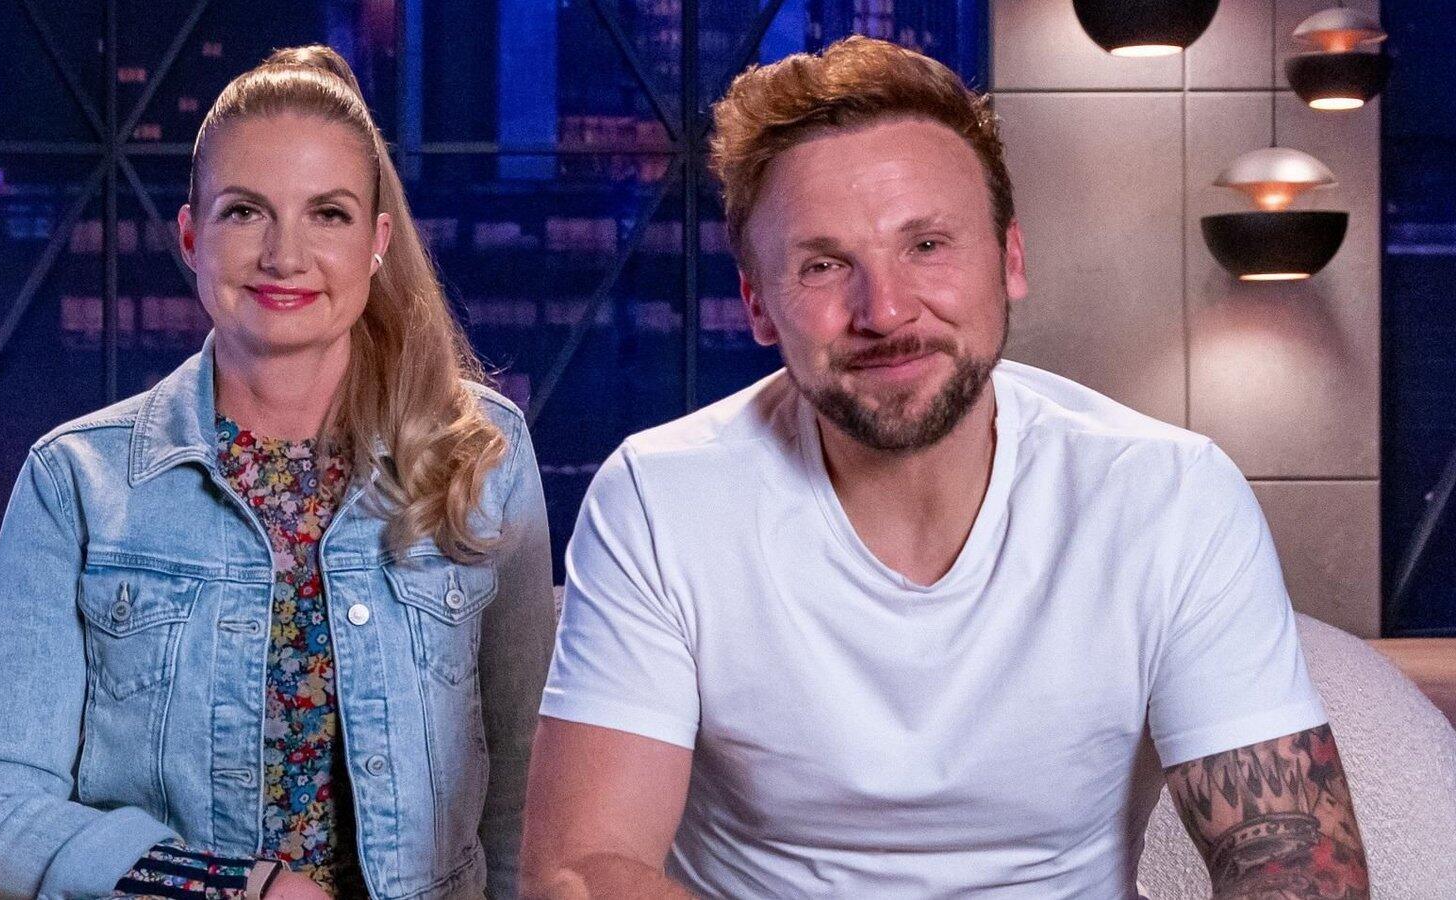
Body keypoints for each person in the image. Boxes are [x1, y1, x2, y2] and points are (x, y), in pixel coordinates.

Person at [521, 36, 1368, 899]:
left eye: (927, 245)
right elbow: (581, 870)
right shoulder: (661, 497)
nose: (886, 311)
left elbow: (1296, 865)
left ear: (1011, 260)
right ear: (758, 305)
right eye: (824, 265)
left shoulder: (1169, 494)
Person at [0, 46, 555, 900]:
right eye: (244, 212)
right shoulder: (75, 481)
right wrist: (239, 888)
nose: (285, 255)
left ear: (377, 243)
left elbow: (530, 793)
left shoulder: (482, 453)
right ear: (191, 236)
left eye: (328, 214)